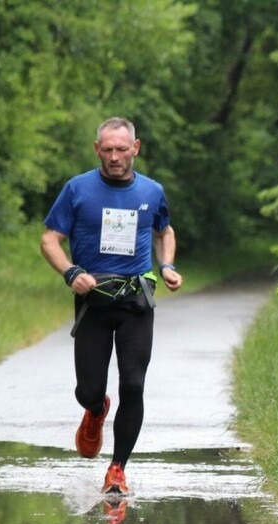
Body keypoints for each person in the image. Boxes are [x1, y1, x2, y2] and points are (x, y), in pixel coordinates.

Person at [40, 117, 183, 497]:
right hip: (94, 301)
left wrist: (166, 264)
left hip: (137, 300)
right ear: (96, 149)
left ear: (135, 148)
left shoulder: (152, 191)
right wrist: (71, 273)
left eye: (122, 149)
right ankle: (95, 409)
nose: (115, 157)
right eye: (108, 149)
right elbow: (50, 240)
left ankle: (118, 468)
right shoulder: (77, 189)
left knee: (133, 384)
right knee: (88, 389)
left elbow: (164, 230)